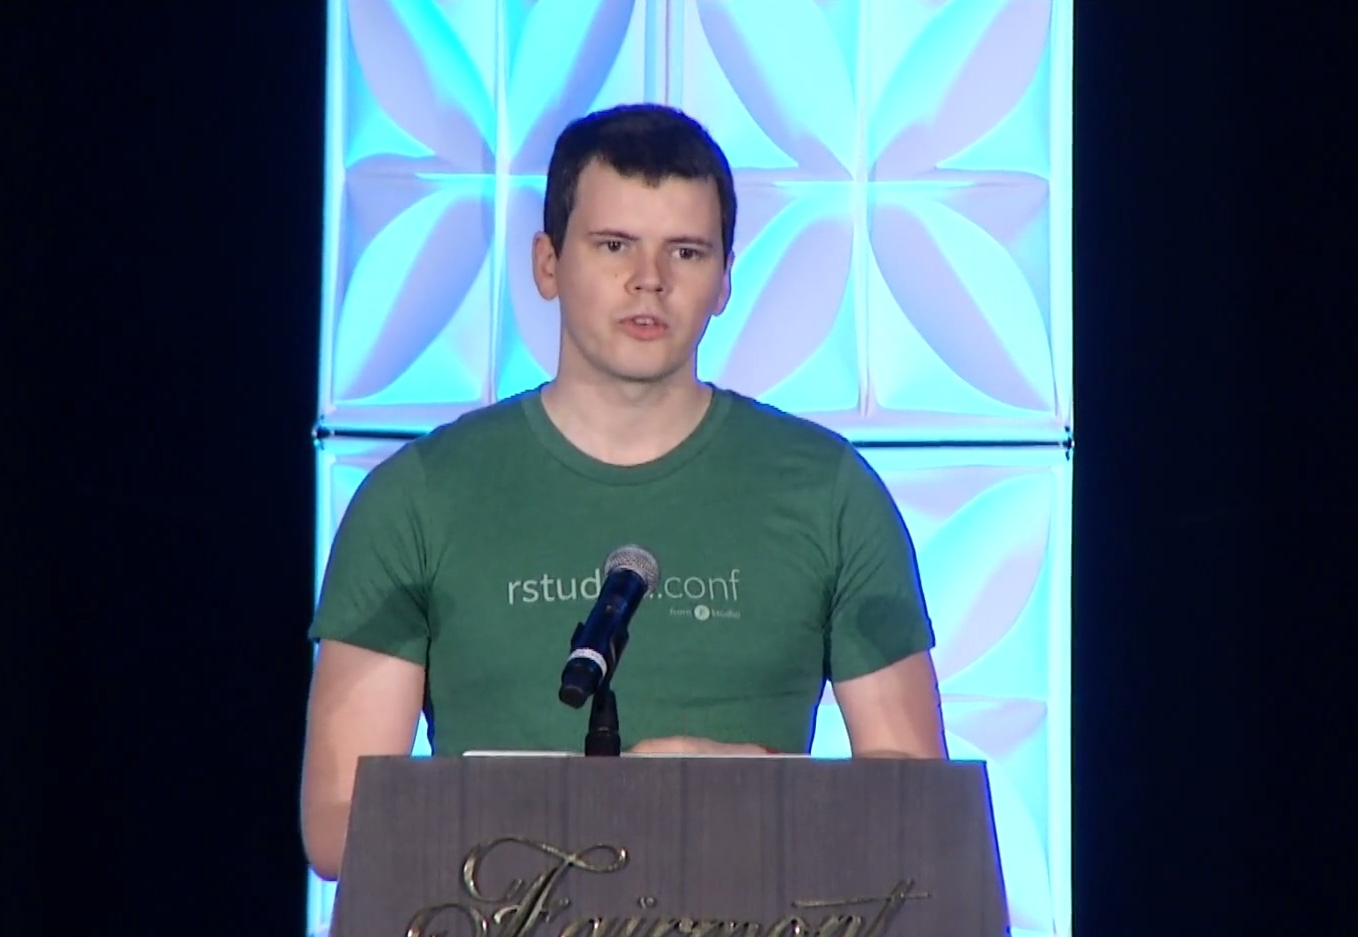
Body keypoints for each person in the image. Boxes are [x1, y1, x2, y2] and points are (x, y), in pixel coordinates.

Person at [299, 102, 946, 884]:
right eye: (614, 246)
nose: (650, 281)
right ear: (547, 264)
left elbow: (920, 805)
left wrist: (749, 783)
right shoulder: (418, 497)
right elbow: (337, 823)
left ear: (725, 280)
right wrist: (583, 820)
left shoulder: (829, 492)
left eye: (687, 252)